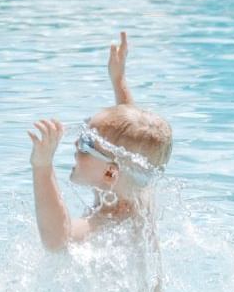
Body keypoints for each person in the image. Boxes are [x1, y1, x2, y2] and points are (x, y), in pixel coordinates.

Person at [26, 33, 172, 253]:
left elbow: (57, 239)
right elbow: (132, 144)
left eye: (86, 144)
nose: (76, 144)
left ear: (110, 173)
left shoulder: (109, 224)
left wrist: (42, 166)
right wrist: (119, 80)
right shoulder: (139, 192)